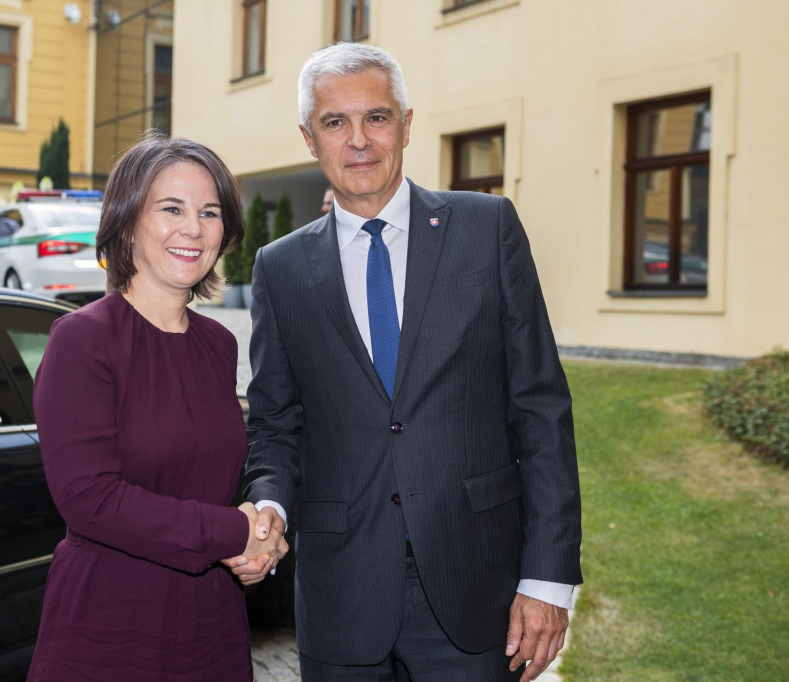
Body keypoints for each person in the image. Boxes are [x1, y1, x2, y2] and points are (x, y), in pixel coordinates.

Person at [227, 43, 582, 681]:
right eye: (335, 122)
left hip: (477, 589)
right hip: (343, 594)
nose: (359, 140)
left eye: (377, 117)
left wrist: (549, 579)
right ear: (310, 138)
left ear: (408, 125)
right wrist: (271, 505)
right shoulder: (278, 268)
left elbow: (541, 407)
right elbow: (276, 423)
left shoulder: (488, 227)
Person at [27, 132, 287, 682]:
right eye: (172, 208)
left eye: (209, 212)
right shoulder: (82, 339)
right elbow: (89, 500)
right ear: (126, 221)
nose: (193, 228)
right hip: (111, 623)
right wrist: (229, 532)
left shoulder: (218, 344)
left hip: (212, 622)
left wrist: (256, 540)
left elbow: (212, 478)